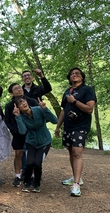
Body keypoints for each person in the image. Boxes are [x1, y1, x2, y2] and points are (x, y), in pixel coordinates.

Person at [55, 67, 96, 197]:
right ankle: (75, 177)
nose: (74, 75)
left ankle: (76, 185)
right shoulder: (68, 91)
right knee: (71, 152)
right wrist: (58, 126)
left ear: (82, 77)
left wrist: (75, 101)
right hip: (68, 126)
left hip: (81, 126)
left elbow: (89, 109)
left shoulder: (87, 90)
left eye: (77, 73)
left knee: (77, 153)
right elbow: (63, 110)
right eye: (72, 74)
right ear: (69, 78)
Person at [13, 97, 57, 193]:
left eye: (24, 101)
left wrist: (45, 109)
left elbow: (55, 120)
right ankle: (26, 183)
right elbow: (22, 131)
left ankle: (36, 184)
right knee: (29, 163)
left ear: (27, 102)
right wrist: (18, 117)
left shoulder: (38, 109)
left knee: (37, 163)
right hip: (31, 142)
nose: (23, 103)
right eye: (20, 103)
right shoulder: (22, 117)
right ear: (18, 108)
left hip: (44, 141)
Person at [4, 83, 38, 187]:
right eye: (15, 89)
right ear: (11, 93)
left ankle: (31, 177)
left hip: (31, 133)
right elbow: (7, 120)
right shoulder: (9, 106)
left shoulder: (32, 101)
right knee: (18, 154)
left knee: (31, 155)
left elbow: (39, 115)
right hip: (18, 134)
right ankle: (18, 176)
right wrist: (14, 131)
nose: (19, 89)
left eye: (19, 88)